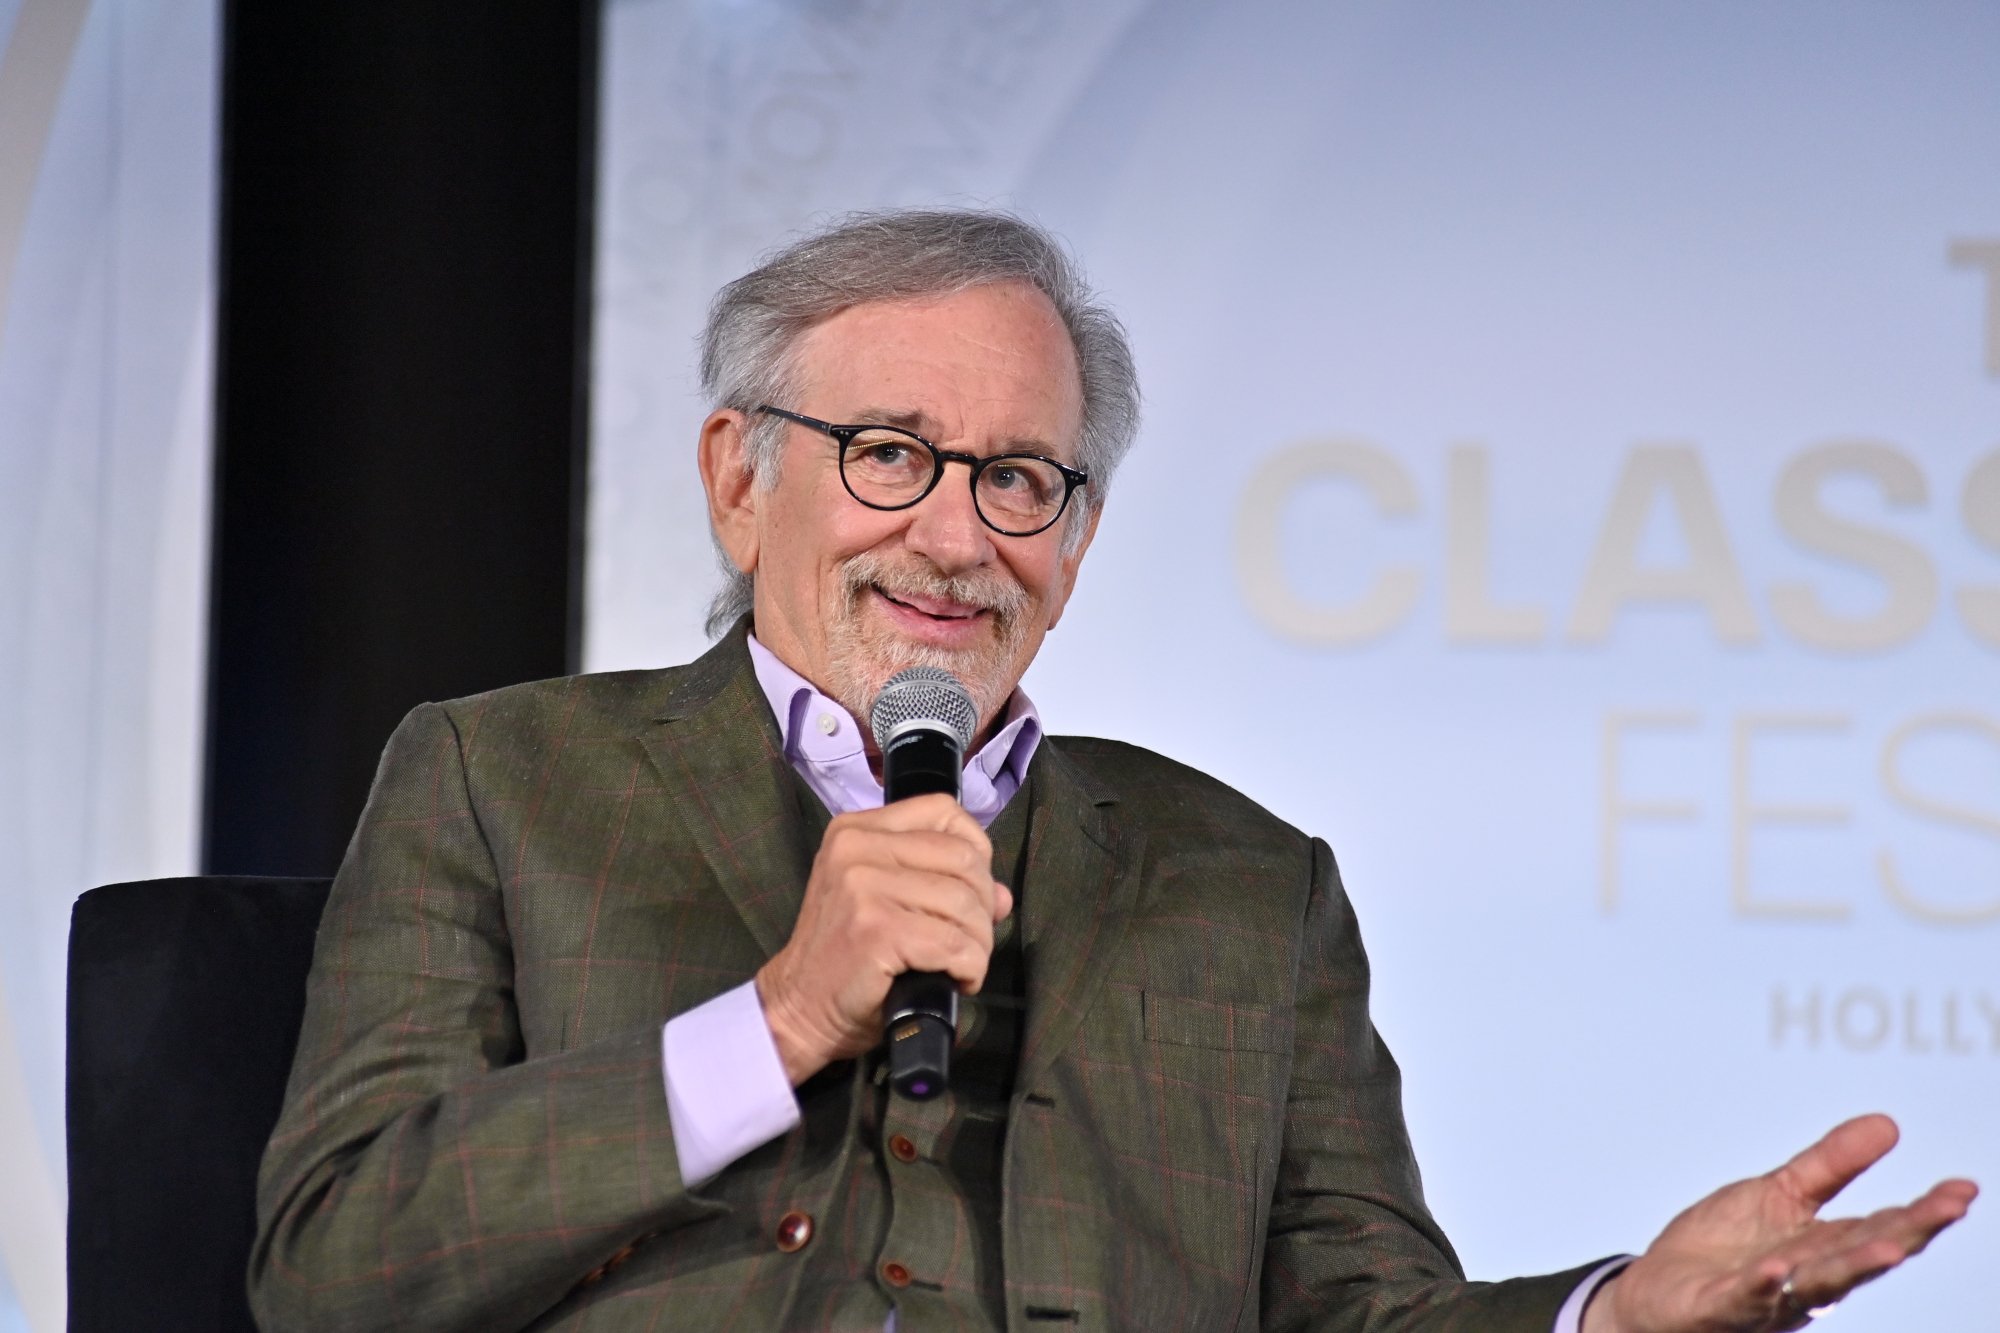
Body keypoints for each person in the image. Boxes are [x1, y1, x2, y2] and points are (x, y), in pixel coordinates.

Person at [249, 209, 1974, 1333]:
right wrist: (775, 1019)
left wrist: (1610, 1314)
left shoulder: (1245, 878)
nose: (955, 532)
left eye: (1022, 480)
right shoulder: (500, 777)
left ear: (1076, 542)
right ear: (736, 476)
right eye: (890, 454)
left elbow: (1366, 1315)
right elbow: (335, 1267)